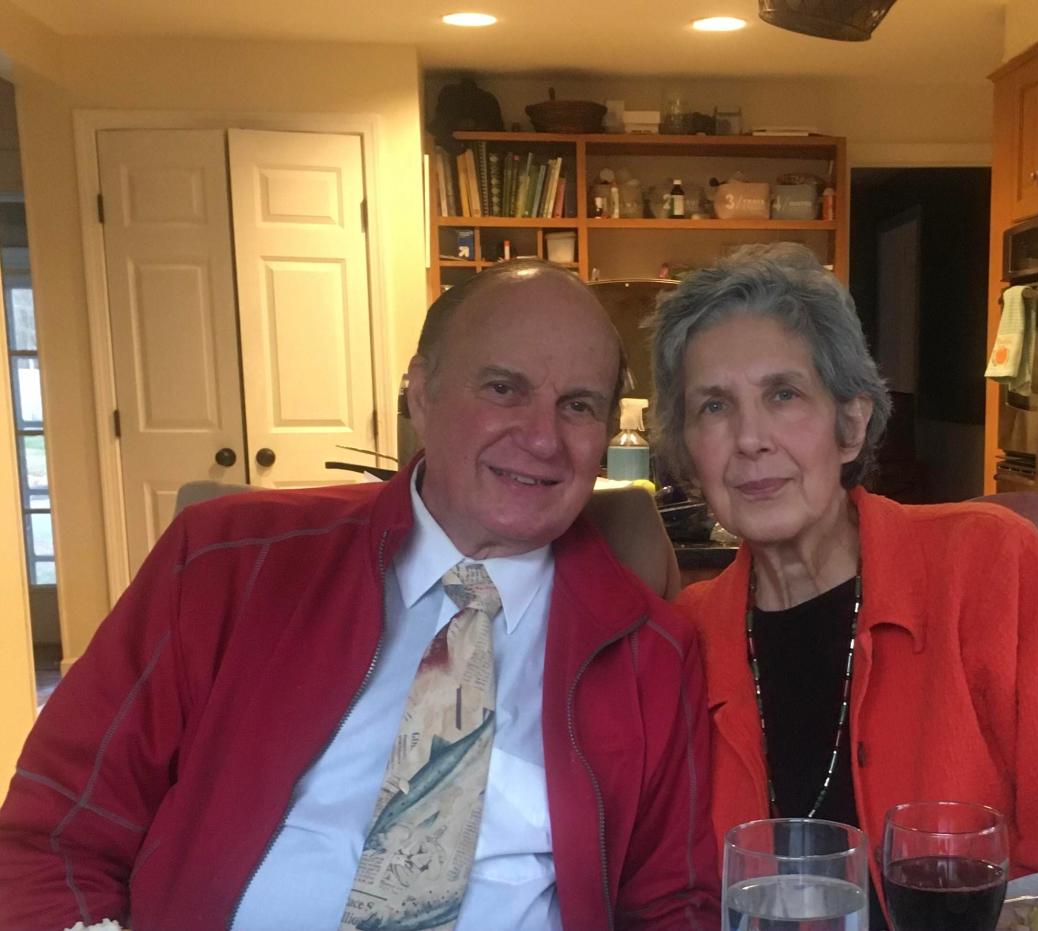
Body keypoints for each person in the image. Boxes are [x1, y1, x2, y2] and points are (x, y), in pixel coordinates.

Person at [0, 260, 719, 931]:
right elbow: (54, 833)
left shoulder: (652, 652)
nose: (541, 436)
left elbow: (670, 904)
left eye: (579, 406)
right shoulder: (227, 563)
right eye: (503, 387)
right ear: (420, 391)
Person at [647, 243, 1038, 926]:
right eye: (713, 406)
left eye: (784, 394)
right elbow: (672, 889)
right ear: (686, 451)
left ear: (851, 423)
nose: (750, 438)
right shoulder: (689, 632)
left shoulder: (984, 563)